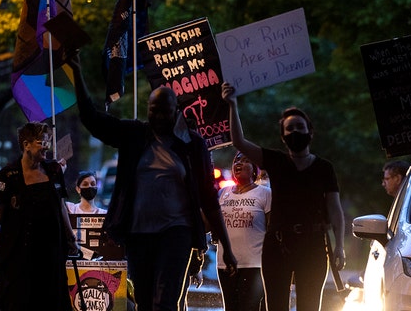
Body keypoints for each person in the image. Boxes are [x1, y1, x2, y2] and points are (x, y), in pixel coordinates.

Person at [69, 56, 238, 311]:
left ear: (176, 112)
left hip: (176, 233)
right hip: (138, 235)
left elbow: (208, 197)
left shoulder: (192, 144)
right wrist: (77, 74)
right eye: (153, 110)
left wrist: (227, 247)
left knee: (165, 301)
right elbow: (92, 120)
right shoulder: (134, 135)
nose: (158, 116)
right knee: (145, 302)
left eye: (164, 111)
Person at [221, 82, 346, 311]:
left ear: (310, 131)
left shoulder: (324, 168)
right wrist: (233, 104)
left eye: (300, 127)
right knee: (276, 305)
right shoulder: (276, 162)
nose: (295, 132)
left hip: (313, 246)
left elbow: (335, 210)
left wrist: (340, 246)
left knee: (309, 306)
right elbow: (239, 142)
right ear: (282, 136)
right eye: (290, 129)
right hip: (278, 246)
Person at [0, 122, 78, 311]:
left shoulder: (53, 170)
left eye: (47, 142)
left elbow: (60, 206)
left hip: (50, 254)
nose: (46, 146)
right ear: (26, 144)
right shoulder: (8, 175)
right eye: (41, 142)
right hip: (18, 257)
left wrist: (70, 237)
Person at [216, 151, 271, 311]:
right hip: (225, 264)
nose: (238, 163)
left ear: (255, 170)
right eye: (236, 160)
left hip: (254, 265)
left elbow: (272, 229)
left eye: (245, 160)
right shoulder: (222, 193)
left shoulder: (265, 194)